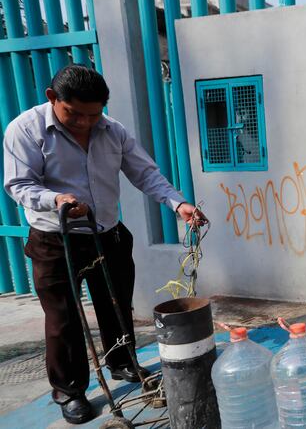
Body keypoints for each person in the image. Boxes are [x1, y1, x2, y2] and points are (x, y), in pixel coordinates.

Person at [3, 65, 206, 424]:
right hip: (55, 240)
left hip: (107, 234)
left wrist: (179, 204)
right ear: (53, 99)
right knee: (63, 319)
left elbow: (144, 173)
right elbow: (19, 184)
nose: (84, 123)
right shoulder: (25, 129)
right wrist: (58, 201)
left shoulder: (113, 131)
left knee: (116, 307)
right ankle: (70, 390)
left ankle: (123, 363)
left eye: (93, 114)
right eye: (74, 114)